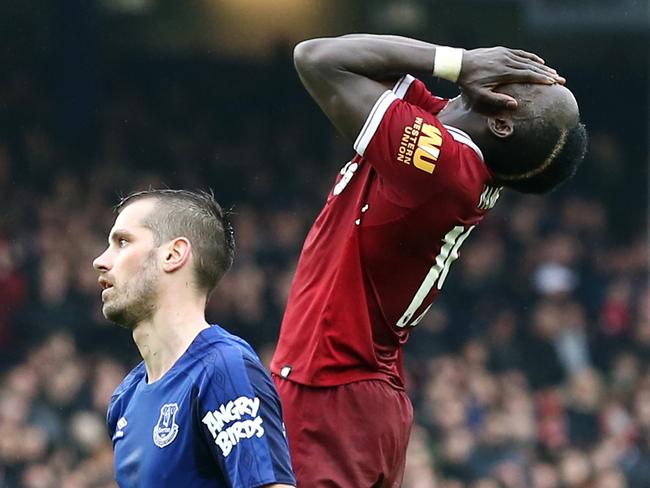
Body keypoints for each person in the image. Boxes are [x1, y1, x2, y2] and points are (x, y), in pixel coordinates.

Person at [270, 34, 588, 487]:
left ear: (502, 121)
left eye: (525, 82)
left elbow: (316, 57)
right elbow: (366, 63)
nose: (505, 64)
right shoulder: (446, 136)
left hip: (332, 391)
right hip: (357, 393)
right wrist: (456, 69)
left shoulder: (441, 166)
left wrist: (459, 61)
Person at [93, 189, 295, 488]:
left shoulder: (223, 369)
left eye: (122, 242)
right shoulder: (125, 398)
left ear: (173, 255)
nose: (100, 260)